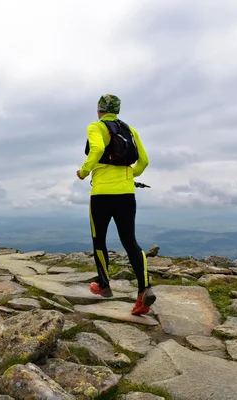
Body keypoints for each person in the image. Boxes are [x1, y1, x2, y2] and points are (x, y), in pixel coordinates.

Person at [76, 94, 155, 315]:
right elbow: (144, 161)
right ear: (117, 110)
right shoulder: (130, 130)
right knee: (130, 242)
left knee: (98, 239)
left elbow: (98, 149)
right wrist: (130, 175)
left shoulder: (96, 127)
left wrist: (84, 171)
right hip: (126, 193)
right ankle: (143, 290)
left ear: (99, 109)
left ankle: (103, 285)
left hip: (101, 194)